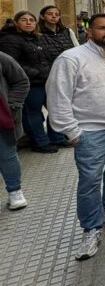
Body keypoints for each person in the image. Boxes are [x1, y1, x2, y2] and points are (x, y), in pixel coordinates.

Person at [46, 14, 105, 260]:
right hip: (90, 132)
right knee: (89, 182)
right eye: (102, 28)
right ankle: (91, 228)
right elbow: (58, 97)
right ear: (89, 31)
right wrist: (73, 132)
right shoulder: (71, 59)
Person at [0, 11, 70, 152]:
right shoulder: (10, 39)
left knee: (55, 109)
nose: (28, 22)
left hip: (46, 80)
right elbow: (12, 64)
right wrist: (37, 72)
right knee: (33, 113)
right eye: (24, 20)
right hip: (29, 83)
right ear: (16, 23)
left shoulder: (38, 38)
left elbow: (47, 58)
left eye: (31, 20)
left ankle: (57, 137)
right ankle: (40, 142)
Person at [0, 52, 30, 211]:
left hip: (1, 118)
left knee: (6, 154)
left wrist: (11, 106)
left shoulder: (2, 58)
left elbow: (21, 81)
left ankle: (15, 191)